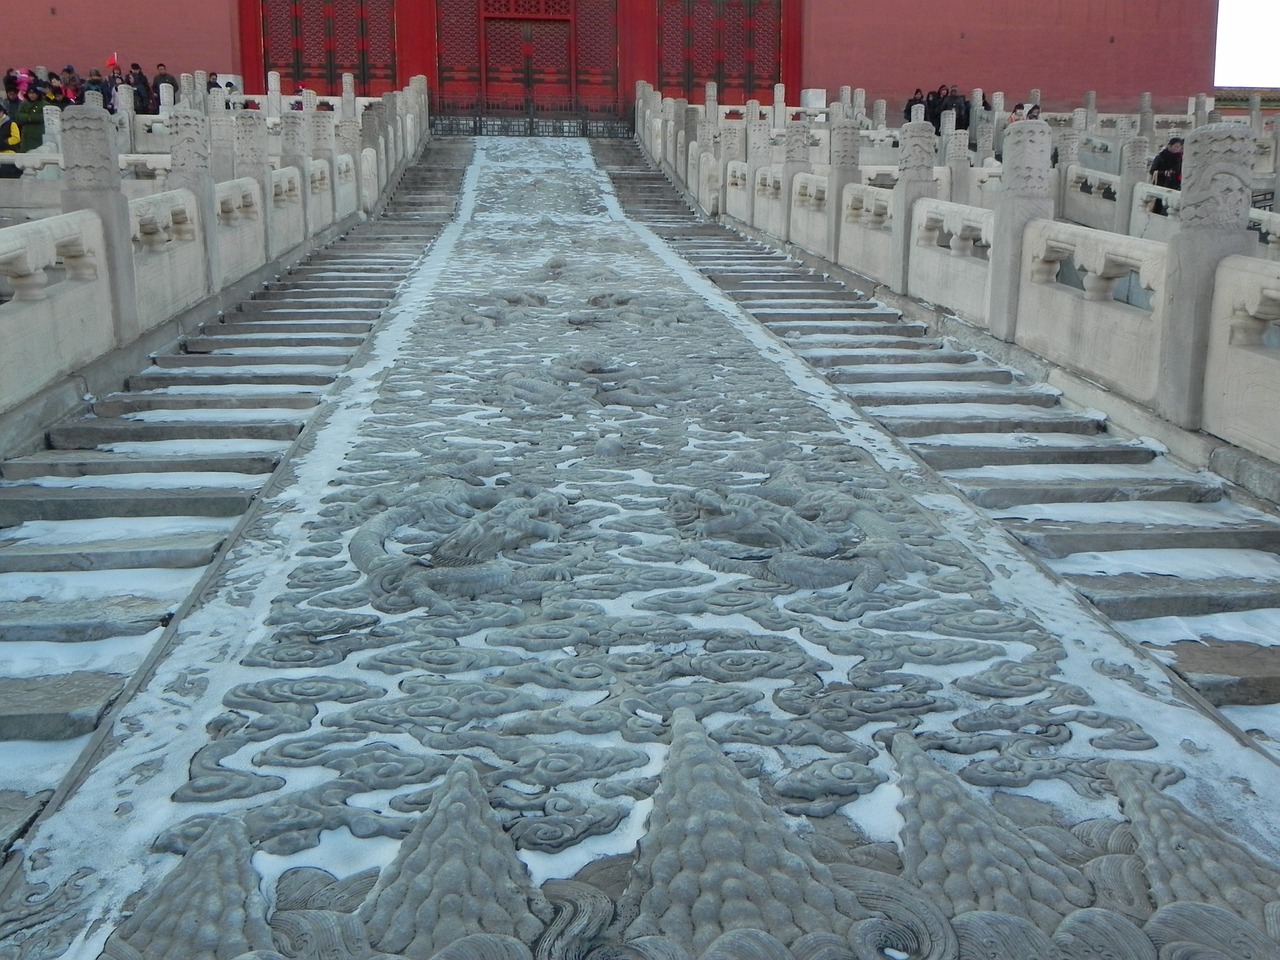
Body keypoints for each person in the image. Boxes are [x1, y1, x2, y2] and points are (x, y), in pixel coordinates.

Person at [15, 85, 44, 151]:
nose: (31, 95)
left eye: (33, 93)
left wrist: (31, 118)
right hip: (26, 134)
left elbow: (43, 117)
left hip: (38, 133)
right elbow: (19, 115)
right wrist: (28, 118)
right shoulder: (24, 104)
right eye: (29, 93)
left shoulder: (44, 104)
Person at [0, 109, 22, 178]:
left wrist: (5, 142)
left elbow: (16, 138)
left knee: (6, 174)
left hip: (8, 152)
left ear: (3, 112)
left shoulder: (11, 123)